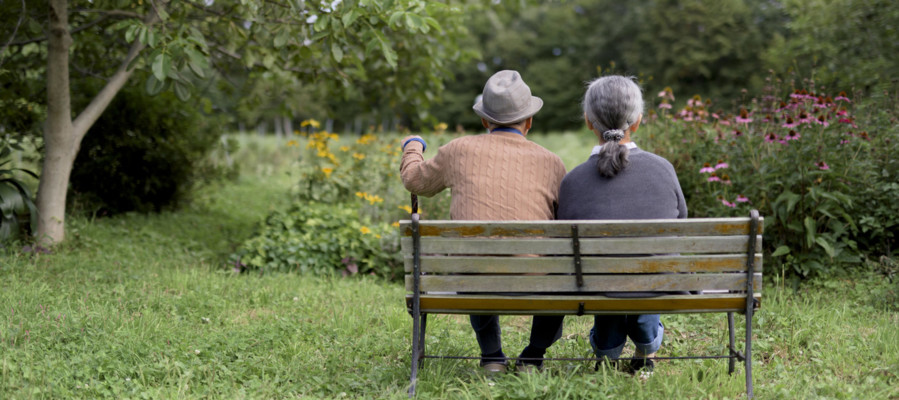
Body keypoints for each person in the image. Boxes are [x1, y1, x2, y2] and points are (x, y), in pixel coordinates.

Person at [399, 70, 567, 373]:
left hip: (471, 281)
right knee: (560, 275)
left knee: (476, 260)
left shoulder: (457, 150)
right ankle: (533, 357)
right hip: (536, 282)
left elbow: (414, 181)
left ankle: (492, 357)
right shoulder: (552, 161)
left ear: (484, 121)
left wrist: (412, 145)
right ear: (529, 121)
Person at [556, 75, 687, 374]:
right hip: (655, 282)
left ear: (589, 121)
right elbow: (681, 224)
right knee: (647, 269)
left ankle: (607, 350)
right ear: (637, 120)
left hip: (594, 285)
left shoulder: (573, 180)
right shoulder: (662, 169)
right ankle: (646, 347)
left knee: (605, 271)